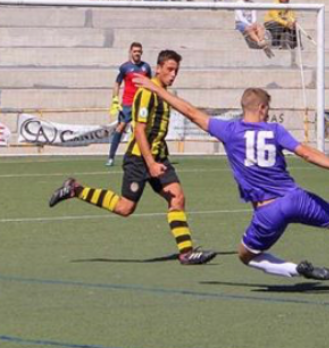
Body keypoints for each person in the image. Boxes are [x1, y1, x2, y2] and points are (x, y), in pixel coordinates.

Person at [131, 77, 329, 282]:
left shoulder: (229, 130)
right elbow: (306, 153)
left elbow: (190, 112)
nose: (268, 113)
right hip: (297, 199)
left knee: (246, 256)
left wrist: (157, 89)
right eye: (267, 108)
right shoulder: (275, 130)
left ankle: (296, 269)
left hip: (267, 212)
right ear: (261, 108)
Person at [48, 50, 217, 265]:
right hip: (140, 159)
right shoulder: (147, 92)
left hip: (158, 157)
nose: (173, 75)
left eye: (176, 71)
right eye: (169, 69)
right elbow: (139, 131)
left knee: (177, 198)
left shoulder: (162, 92)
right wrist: (151, 164)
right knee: (125, 208)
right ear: (158, 68)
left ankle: (186, 252)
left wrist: (158, 161)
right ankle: (76, 189)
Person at [106, 43, 153, 167]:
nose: (137, 53)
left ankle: (142, 157)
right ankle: (111, 157)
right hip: (127, 103)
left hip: (141, 104)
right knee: (120, 127)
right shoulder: (125, 67)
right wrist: (115, 99)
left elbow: (151, 83)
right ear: (131, 52)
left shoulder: (146, 67)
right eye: (135, 51)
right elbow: (117, 83)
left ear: (141, 52)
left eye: (139, 51)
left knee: (139, 130)